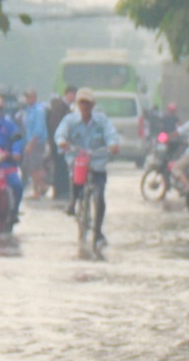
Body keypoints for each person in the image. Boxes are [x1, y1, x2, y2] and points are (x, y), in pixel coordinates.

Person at [54, 87, 119, 246]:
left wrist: (113, 145)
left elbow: (110, 134)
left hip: (97, 162)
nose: (85, 107)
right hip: (78, 162)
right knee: (76, 183)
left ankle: (98, 232)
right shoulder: (70, 120)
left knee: (100, 197)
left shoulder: (101, 120)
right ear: (77, 104)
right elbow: (60, 133)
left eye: (88, 103)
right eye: (82, 103)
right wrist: (63, 142)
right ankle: (73, 202)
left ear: (93, 105)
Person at [46, 85, 77, 201]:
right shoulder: (59, 106)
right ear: (69, 94)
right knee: (60, 166)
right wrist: (59, 140)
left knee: (63, 166)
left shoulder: (64, 106)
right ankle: (60, 191)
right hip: (58, 142)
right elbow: (55, 124)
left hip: (61, 142)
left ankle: (63, 190)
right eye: (74, 95)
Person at [19, 89, 50, 197]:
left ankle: (36, 191)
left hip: (37, 142)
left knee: (34, 167)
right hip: (29, 141)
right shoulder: (28, 110)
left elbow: (38, 129)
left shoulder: (39, 110)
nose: (28, 99)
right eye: (27, 97)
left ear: (35, 97)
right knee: (30, 166)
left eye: (30, 97)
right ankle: (42, 186)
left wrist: (31, 144)